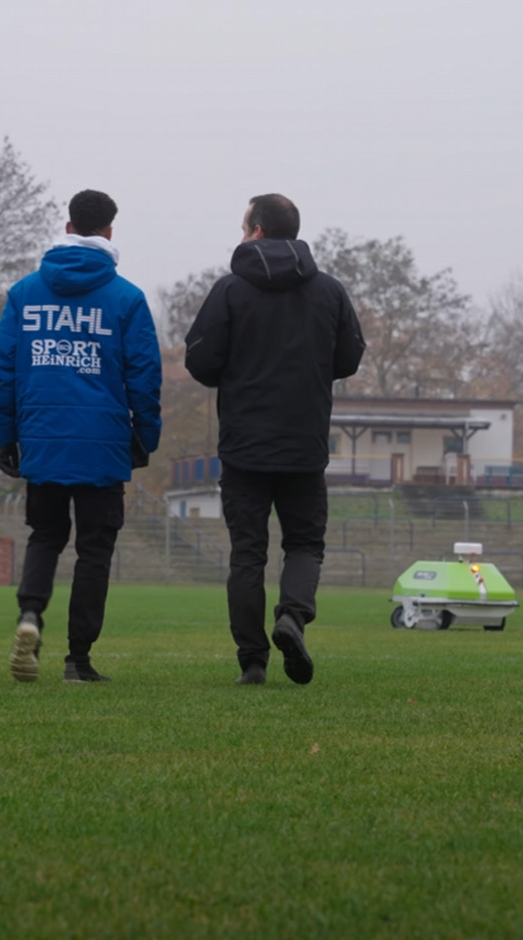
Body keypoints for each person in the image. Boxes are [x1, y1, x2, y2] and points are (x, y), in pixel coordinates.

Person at [184, 194, 366, 686]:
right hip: (304, 445)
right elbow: (350, 357)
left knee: (248, 553)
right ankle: (293, 615)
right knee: (305, 544)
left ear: (257, 231)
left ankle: (253, 661)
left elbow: (199, 361)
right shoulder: (329, 291)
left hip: (244, 446)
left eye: (244, 226)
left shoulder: (229, 292)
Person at [0, 189, 162, 684]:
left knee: (45, 536)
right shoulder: (126, 298)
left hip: (41, 439)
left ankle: (30, 617)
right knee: (94, 550)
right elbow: (144, 376)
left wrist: (6, 436)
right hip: (103, 443)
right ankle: (77, 659)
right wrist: (144, 437)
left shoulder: (25, 293)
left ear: (68, 228)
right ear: (109, 232)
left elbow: (3, 370)